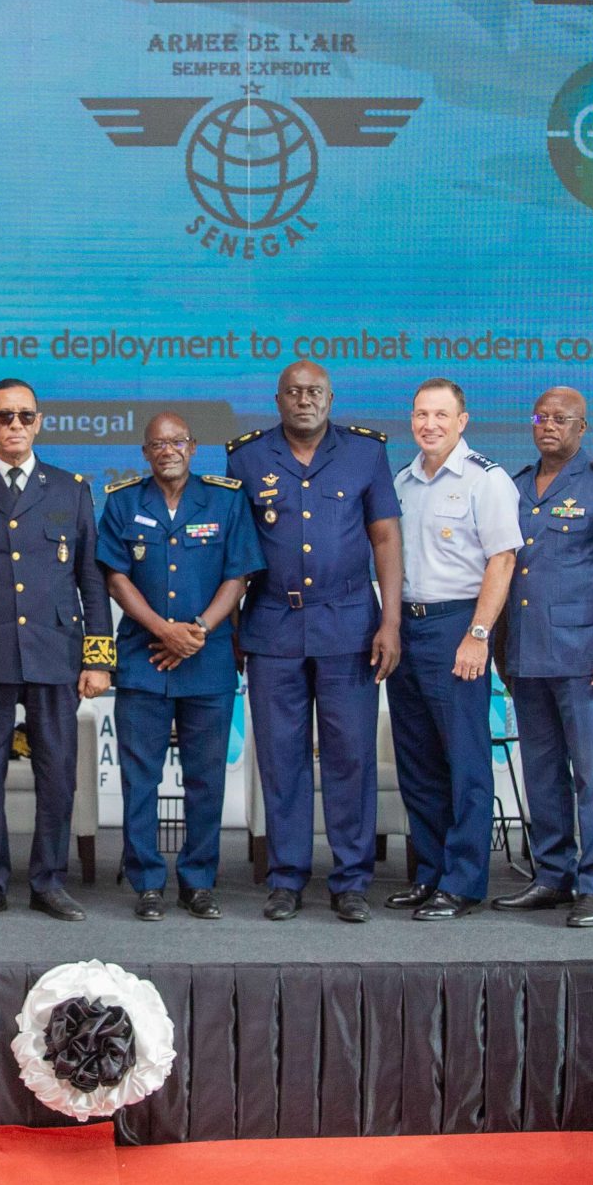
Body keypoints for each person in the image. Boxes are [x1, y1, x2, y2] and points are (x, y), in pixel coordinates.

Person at [0, 379, 112, 924]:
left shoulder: (70, 489)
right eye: (4, 416)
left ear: (39, 422)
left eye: (24, 417)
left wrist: (98, 656)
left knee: (57, 770)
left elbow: (90, 580)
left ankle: (49, 881)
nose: (14, 426)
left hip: (54, 650)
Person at [227, 361, 401, 922]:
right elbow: (234, 553)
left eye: (315, 392)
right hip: (273, 626)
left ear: (331, 397)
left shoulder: (366, 452)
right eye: (294, 392)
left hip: (349, 624)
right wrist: (231, 630)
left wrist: (391, 621)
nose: (305, 400)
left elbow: (385, 538)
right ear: (277, 399)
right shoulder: (246, 456)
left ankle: (350, 879)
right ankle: (286, 877)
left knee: (351, 757)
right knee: (282, 759)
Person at [490, 388, 593, 927]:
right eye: (541, 417)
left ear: (583, 427)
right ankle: (553, 876)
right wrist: (500, 652)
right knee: (542, 773)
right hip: (527, 656)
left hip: (587, 661)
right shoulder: (512, 488)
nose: (549, 425)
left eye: (562, 419)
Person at [97, 411, 255, 920]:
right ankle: (146, 881)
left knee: (206, 777)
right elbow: (116, 578)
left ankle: (199, 881)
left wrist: (199, 631)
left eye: (178, 441)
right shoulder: (123, 501)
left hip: (207, 660)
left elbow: (237, 577)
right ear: (145, 452)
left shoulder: (226, 500)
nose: (168, 449)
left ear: (193, 446)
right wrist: (164, 631)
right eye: (158, 443)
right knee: (139, 776)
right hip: (143, 659)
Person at [385, 379, 520, 920]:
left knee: (465, 761)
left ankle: (463, 882)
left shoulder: (486, 481)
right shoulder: (403, 481)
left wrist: (479, 634)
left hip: (457, 627)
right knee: (418, 761)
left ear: (462, 421)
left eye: (442, 415)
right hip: (408, 627)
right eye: (421, 414)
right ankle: (430, 873)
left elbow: (503, 560)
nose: (430, 424)